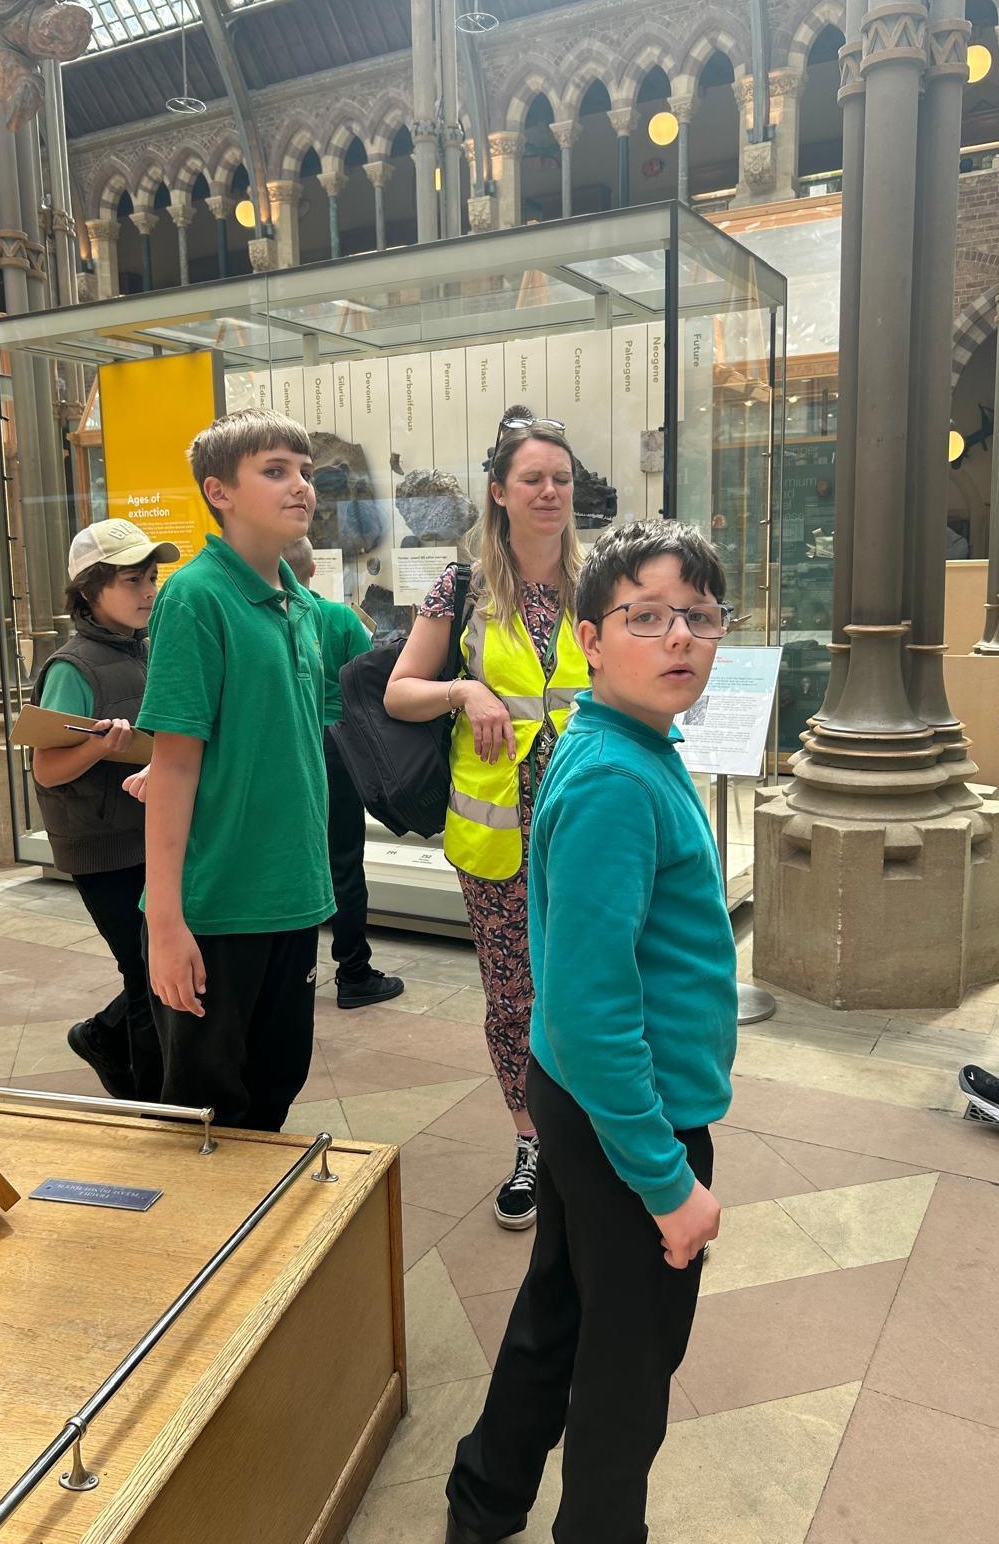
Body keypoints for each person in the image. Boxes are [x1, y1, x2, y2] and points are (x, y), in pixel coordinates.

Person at [444, 518, 738, 1544]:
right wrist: (668, 1182)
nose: (679, 637)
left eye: (699, 615)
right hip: (628, 1114)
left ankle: (484, 1500)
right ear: (591, 639)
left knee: (562, 1312)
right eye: (645, 616)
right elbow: (591, 1007)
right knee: (628, 1368)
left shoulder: (624, 744)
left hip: (582, 1097)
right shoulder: (617, 777)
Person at [386, 407, 590, 1230]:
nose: (549, 492)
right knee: (513, 997)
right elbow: (400, 692)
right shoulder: (463, 586)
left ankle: (595, 1134)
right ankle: (532, 1140)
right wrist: (464, 690)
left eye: (562, 479)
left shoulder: (601, 583)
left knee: (596, 985)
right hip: (499, 832)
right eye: (531, 479)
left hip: (588, 826)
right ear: (499, 492)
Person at [138, 409, 334, 1132]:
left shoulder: (298, 602)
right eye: (275, 471)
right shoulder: (196, 597)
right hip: (218, 905)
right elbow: (174, 765)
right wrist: (166, 925)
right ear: (218, 491)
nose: (300, 486)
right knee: (207, 1116)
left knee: (274, 1091)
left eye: (304, 471)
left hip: (292, 896)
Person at [31, 518, 179, 1102]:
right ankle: (153, 1108)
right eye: (131, 580)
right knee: (146, 976)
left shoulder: (147, 648)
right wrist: (99, 746)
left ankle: (102, 1037)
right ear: (91, 589)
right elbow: (46, 768)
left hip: (152, 833)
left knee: (162, 965)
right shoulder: (73, 667)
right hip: (105, 848)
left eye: (151, 578)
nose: (148, 591)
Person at [281, 535, 404, 1008]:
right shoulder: (339, 618)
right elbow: (367, 683)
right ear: (313, 570)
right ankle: (353, 972)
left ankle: (290, 972)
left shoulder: (270, 618)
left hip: (287, 743)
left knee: (289, 859)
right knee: (344, 861)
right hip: (338, 747)